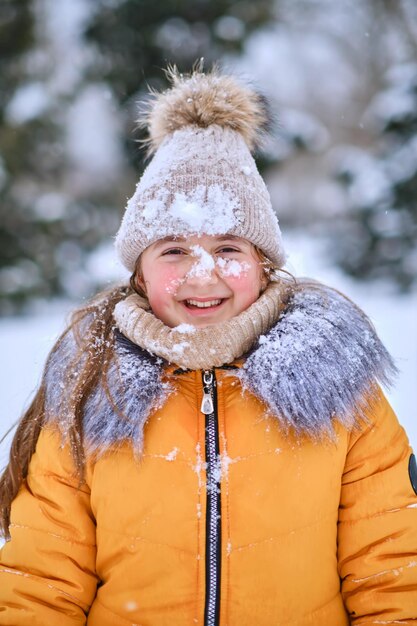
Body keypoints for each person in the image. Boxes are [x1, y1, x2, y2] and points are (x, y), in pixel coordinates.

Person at [0, 65, 416, 626]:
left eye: (228, 248)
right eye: (173, 250)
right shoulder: (91, 393)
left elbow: (392, 568)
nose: (202, 274)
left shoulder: (339, 391)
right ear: (139, 273)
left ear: (264, 265)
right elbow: (41, 585)